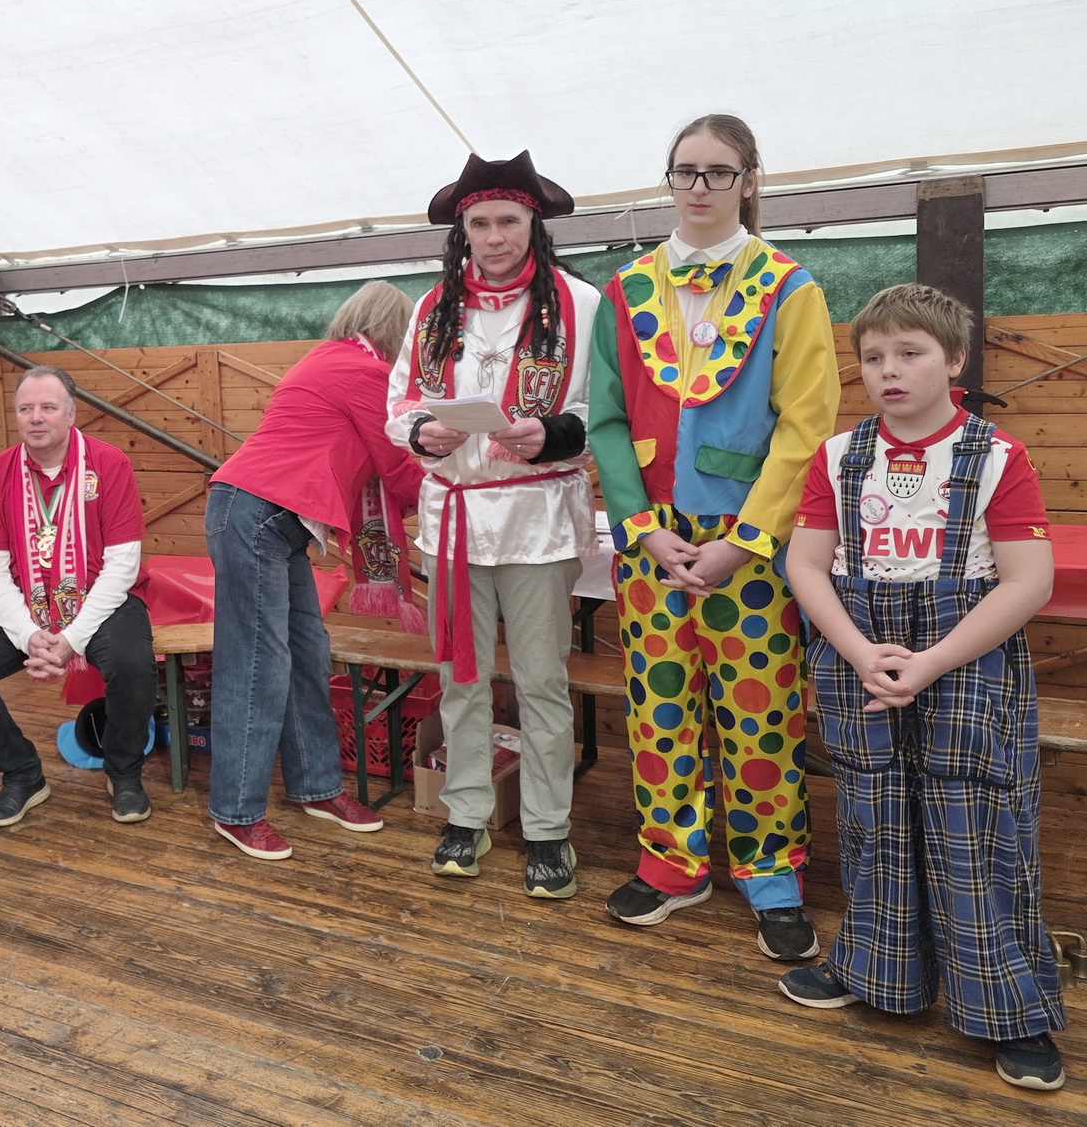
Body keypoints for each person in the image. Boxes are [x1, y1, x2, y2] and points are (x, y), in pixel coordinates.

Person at [779, 283, 1066, 1091]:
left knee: (979, 829)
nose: (888, 371)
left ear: (955, 361)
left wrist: (933, 659)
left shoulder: (996, 455)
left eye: (909, 354)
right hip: (857, 657)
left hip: (967, 658)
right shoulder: (837, 457)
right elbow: (806, 563)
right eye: (873, 357)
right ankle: (873, 972)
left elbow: (1029, 580)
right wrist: (860, 650)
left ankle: (1013, 1009)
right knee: (872, 819)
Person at [588, 114, 839, 956]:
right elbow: (609, 422)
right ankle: (671, 863)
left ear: (749, 181)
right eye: (685, 171)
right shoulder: (625, 292)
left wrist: (748, 538)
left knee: (760, 711)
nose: (699, 187)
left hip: (752, 549)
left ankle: (771, 874)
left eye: (718, 172)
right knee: (660, 709)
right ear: (668, 180)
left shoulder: (790, 289)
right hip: (653, 545)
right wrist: (641, 528)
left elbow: (806, 426)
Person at [385, 152, 602, 898]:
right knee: (460, 679)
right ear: (463, 231)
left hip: (537, 519)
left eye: (508, 219)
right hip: (453, 520)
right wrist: (422, 435)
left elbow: (600, 411)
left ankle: (547, 828)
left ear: (533, 223)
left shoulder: (580, 302)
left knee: (542, 680)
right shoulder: (431, 310)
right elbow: (399, 406)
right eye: (480, 222)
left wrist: (553, 435)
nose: (494, 235)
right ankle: (466, 814)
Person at [205, 282, 424, 860]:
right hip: (258, 514)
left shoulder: (334, 359)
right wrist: (476, 477)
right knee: (258, 664)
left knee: (307, 653)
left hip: (267, 517)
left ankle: (316, 787)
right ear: (394, 332)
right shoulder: (364, 373)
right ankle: (237, 810)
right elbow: (401, 471)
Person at [0, 366, 156, 827]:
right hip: (26, 603)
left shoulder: (109, 463)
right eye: (25, 409)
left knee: (133, 665)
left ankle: (124, 772)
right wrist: (28, 633)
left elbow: (123, 566)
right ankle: (22, 774)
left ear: (71, 414)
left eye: (48, 408)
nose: (36, 418)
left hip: (102, 600)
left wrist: (71, 638)